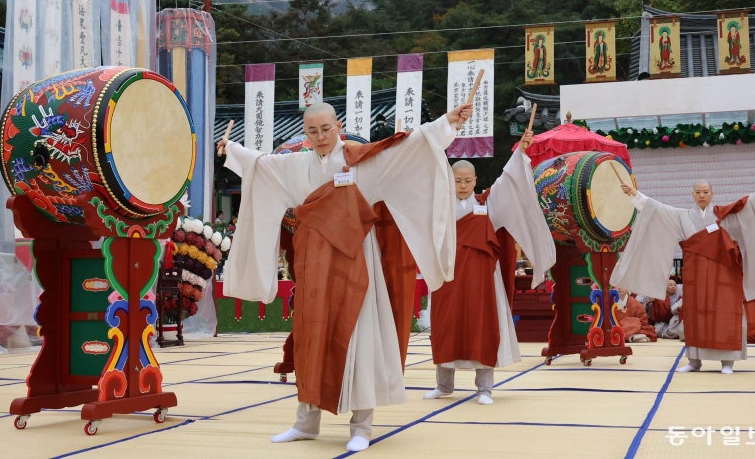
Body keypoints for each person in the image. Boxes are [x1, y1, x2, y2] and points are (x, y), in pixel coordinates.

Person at [218, 100, 472, 452]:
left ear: (338, 127)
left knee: (360, 339)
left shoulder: (362, 160)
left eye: (326, 129)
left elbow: (409, 147)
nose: (321, 136)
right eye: (313, 131)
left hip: (355, 261)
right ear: (305, 133)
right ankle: (306, 423)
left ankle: (361, 426)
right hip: (314, 265)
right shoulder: (297, 166)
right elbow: (260, 165)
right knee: (311, 339)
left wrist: (448, 122)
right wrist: (231, 148)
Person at [424, 131, 555, 405]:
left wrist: (521, 153)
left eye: (467, 181)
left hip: (482, 280)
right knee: (446, 327)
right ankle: (443, 385)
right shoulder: (438, 207)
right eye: (457, 180)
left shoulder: (486, 203)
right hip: (447, 277)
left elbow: (508, 182)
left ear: (475, 181)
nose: (462, 185)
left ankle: (484, 389)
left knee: (482, 327)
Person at [611, 177, 755, 374]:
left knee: (725, 314)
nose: (702, 195)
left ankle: (727, 361)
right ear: (692, 194)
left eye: (705, 192)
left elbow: (746, 205)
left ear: (712, 194)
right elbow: (656, 209)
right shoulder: (681, 216)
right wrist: (635, 195)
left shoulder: (723, 215)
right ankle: (694, 361)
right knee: (694, 315)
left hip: (723, 273)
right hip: (695, 273)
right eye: (698, 192)